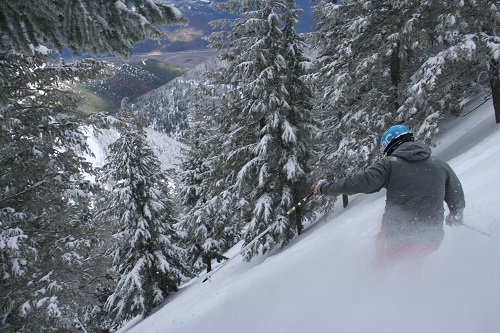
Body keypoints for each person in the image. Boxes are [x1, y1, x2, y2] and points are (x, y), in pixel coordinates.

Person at [310, 124, 465, 268]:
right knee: (412, 261)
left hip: (399, 236)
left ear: (390, 146)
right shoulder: (440, 165)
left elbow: (359, 183)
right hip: (432, 239)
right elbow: (456, 195)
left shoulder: (389, 164)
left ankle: (373, 291)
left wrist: (324, 188)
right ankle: (414, 291)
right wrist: (456, 215)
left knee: (382, 264)